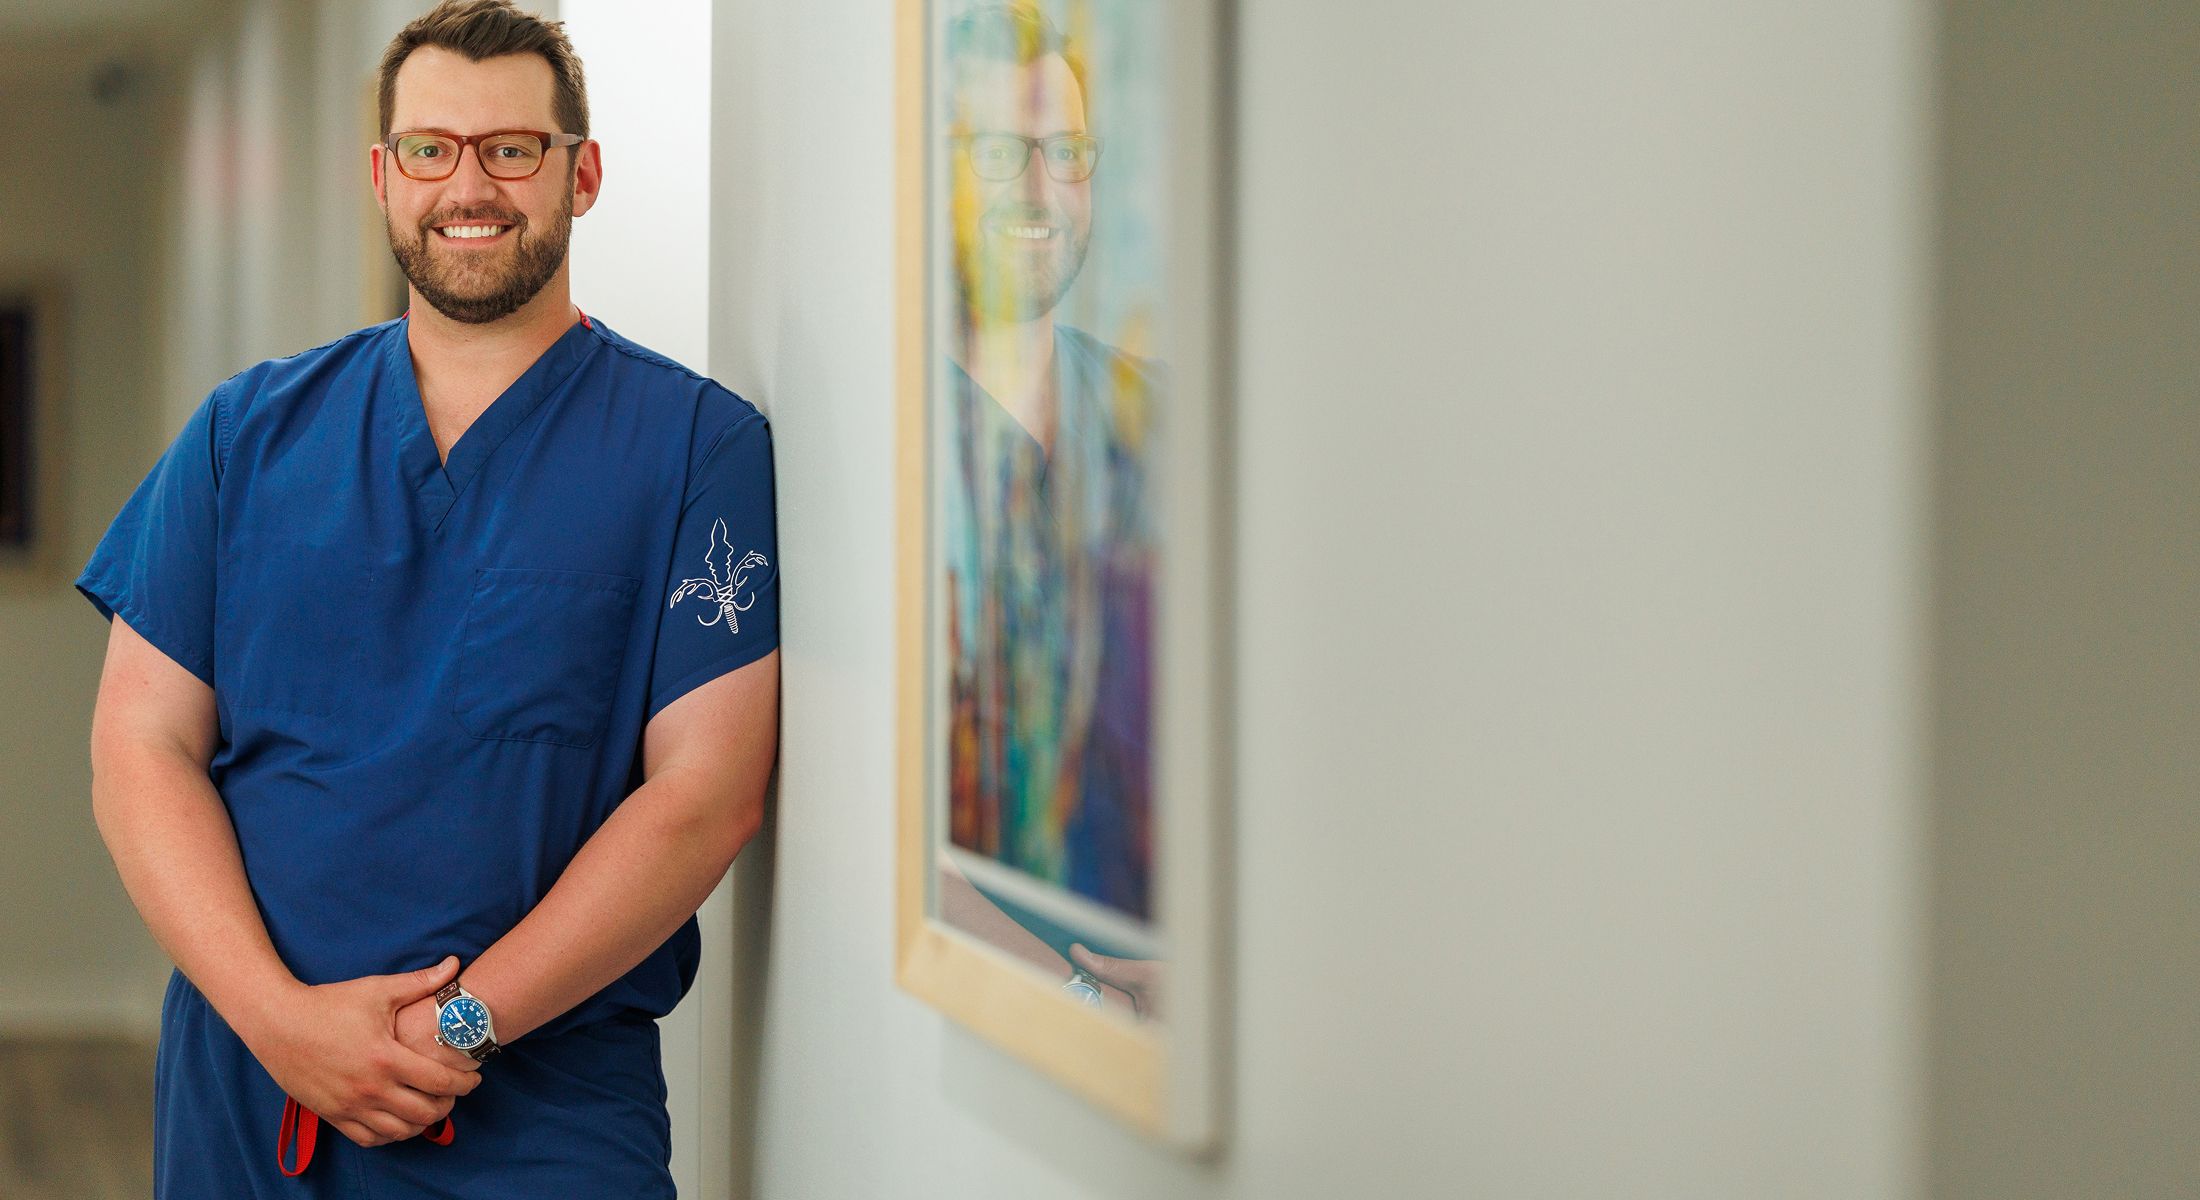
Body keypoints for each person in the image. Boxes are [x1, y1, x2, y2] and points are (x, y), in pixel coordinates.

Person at [76, 2, 778, 1194]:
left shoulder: (693, 447)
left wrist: (454, 1032)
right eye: (430, 148)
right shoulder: (245, 434)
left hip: (541, 1110)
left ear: (582, 172)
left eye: (512, 149)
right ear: (384, 175)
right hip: (251, 1096)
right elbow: (139, 747)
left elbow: (704, 798)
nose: (471, 185)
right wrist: (283, 1022)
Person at [934, 2, 1165, 1020]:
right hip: (989, 994)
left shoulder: (1152, 424)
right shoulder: (895, 445)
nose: (1037, 192)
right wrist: (1070, 985)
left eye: (1065, 152)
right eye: (998, 153)